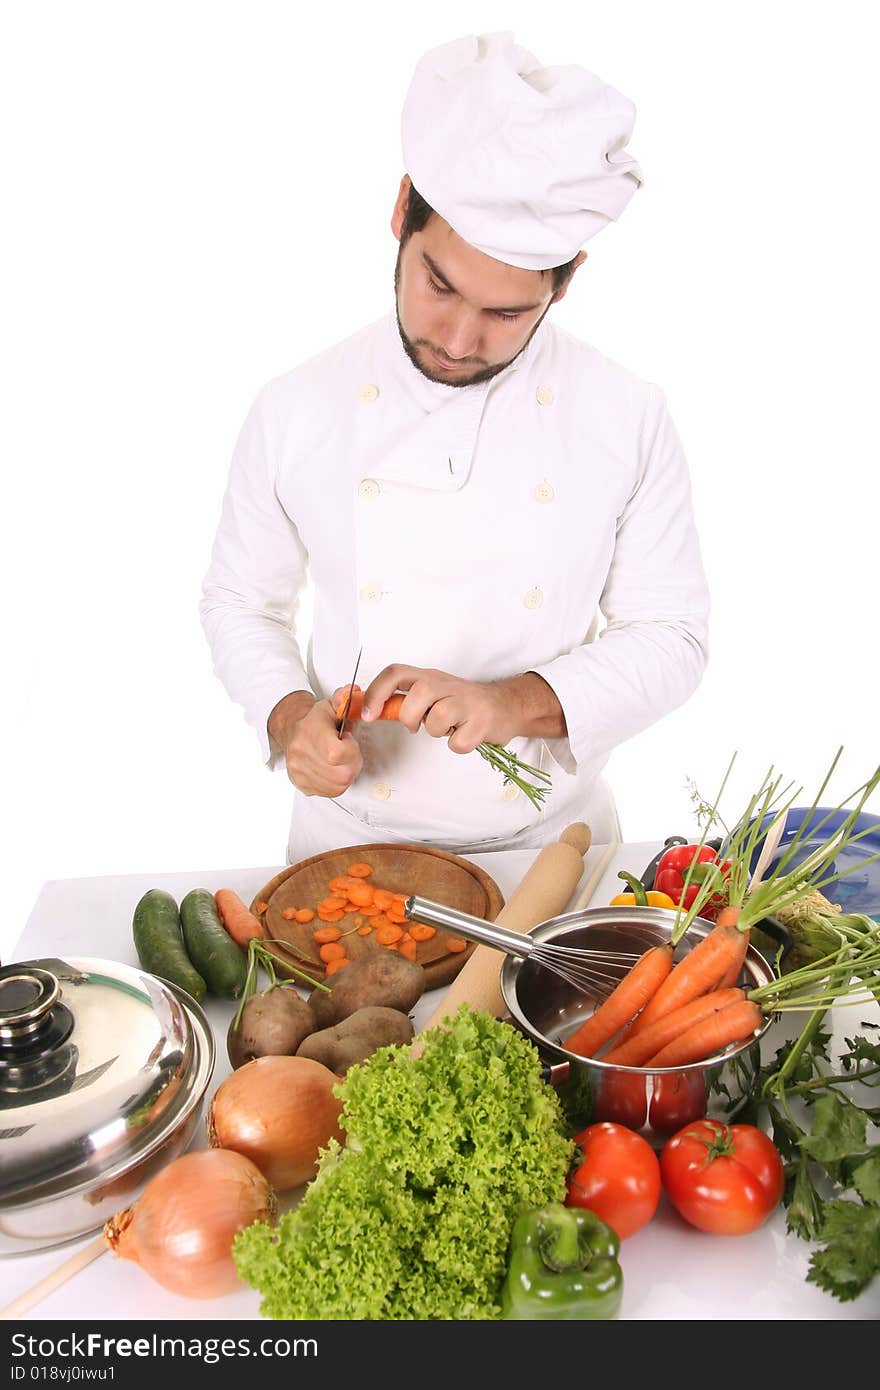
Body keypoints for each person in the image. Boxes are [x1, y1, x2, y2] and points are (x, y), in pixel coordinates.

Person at [200, 31, 710, 866]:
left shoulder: (626, 414)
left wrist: (521, 702)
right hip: (349, 845)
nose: (461, 339)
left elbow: (672, 633)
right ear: (403, 210)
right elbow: (239, 602)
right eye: (439, 284)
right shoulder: (295, 407)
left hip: (554, 853)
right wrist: (290, 714)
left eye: (507, 313)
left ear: (566, 277)